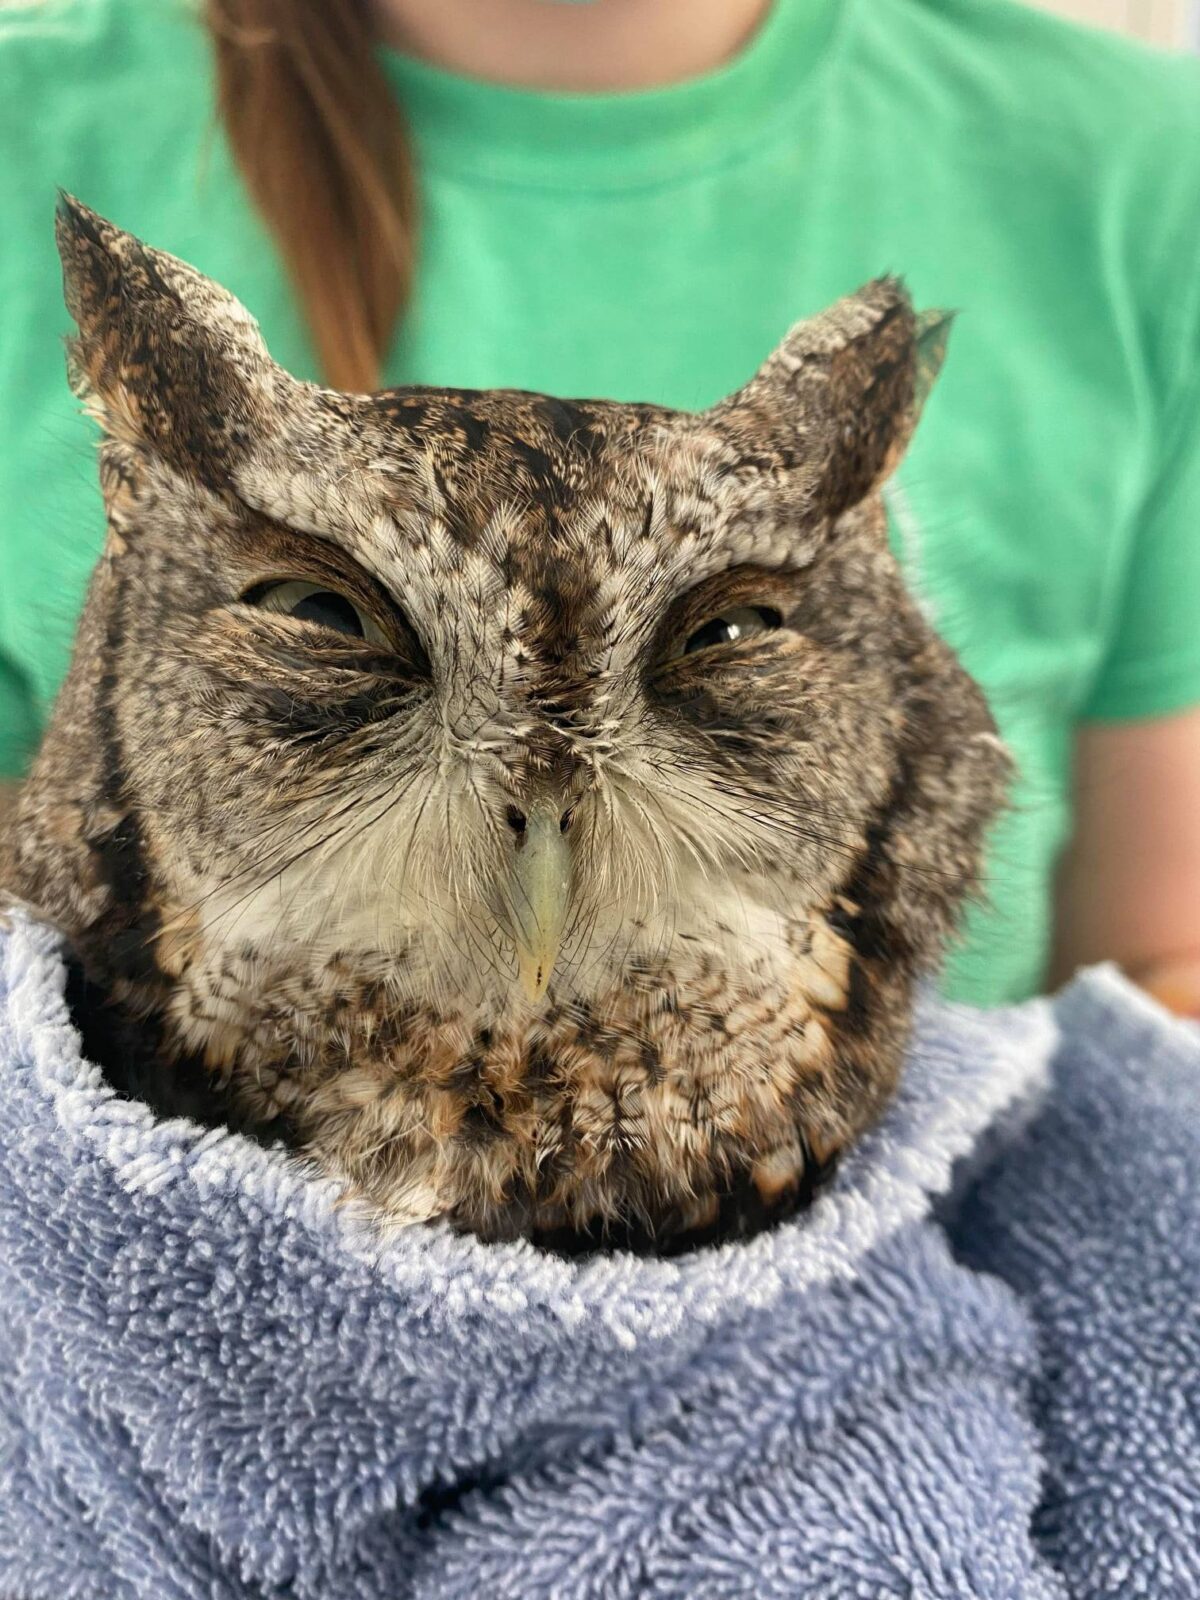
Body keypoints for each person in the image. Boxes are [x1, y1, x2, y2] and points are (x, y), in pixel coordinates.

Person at [1, 0, 1198, 1011]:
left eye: (734, 636)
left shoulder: (1132, 171)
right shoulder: (36, 123)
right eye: (322, 620)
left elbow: (1157, 985)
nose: (541, 822)